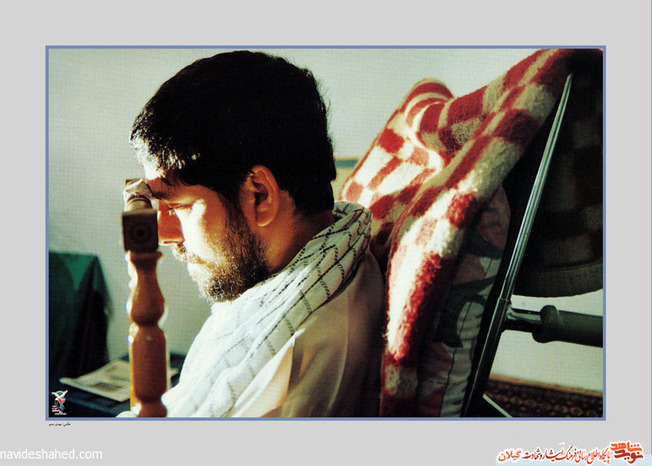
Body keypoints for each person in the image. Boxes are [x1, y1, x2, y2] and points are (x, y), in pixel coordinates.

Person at [125, 50, 385, 417]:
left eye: (180, 207)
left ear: (259, 195)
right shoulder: (335, 259)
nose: (165, 236)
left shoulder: (291, 362)